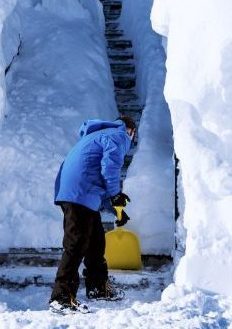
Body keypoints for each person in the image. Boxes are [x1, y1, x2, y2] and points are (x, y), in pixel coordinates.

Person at [49, 115, 137, 314]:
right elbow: (110, 168)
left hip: (78, 191)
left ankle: (98, 287)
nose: (130, 141)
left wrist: (116, 209)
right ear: (131, 131)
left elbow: (98, 176)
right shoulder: (119, 135)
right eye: (132, 136)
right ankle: (61, 296)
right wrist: (116, 195)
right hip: (79, 192)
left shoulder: (99, 135)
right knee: (76, 243)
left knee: (96, 241)